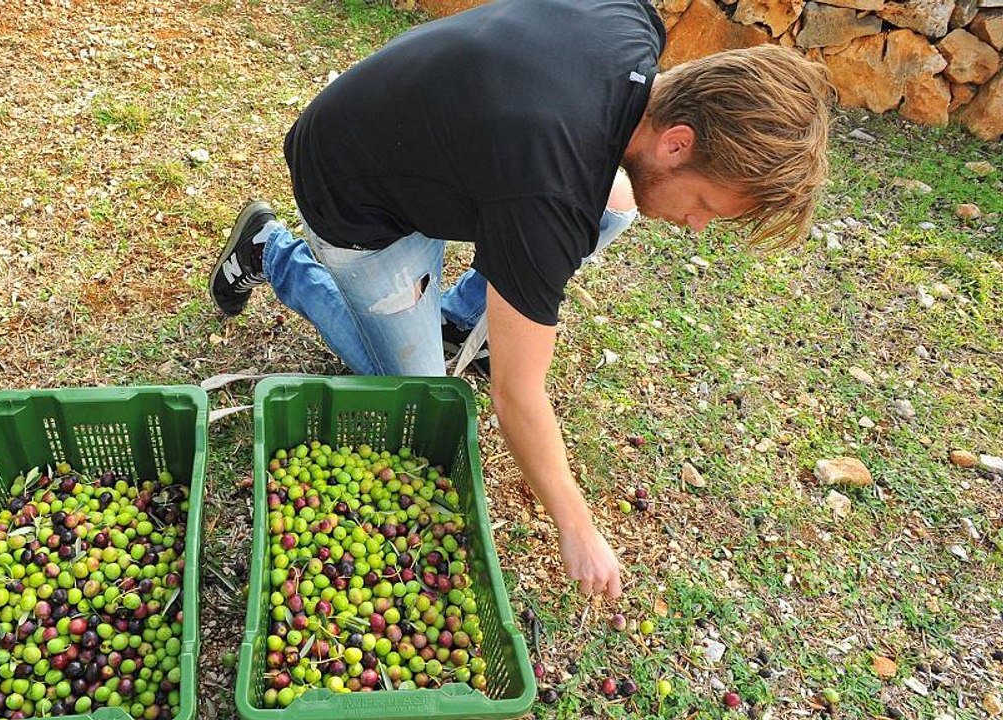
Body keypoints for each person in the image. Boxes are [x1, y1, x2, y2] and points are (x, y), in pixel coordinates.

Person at [208, 0, 833, 600]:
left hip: (431, 142)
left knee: (613, 206)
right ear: (676, 142)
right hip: (353, 189)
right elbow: (517, 397)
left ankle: (455, 318)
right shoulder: (550, 191)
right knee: (422, 398)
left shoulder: (633, 23)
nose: (696, 225)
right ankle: (271, 251)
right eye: (705, 206)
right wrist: (577, 527)